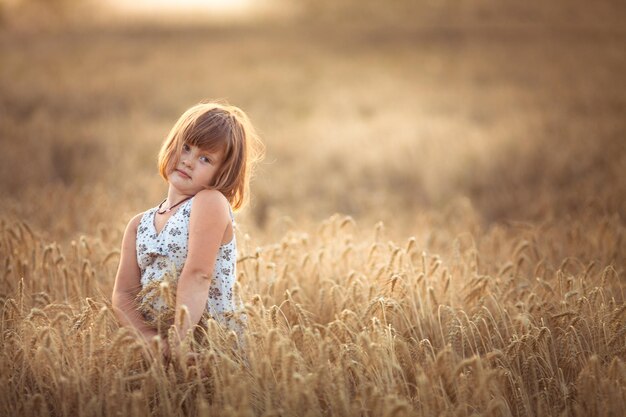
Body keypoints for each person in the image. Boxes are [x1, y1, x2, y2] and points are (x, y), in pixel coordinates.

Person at [111, 101, 263, 358]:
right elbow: (123, 293)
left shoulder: (209, 202)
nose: (189, 161)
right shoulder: (139, 225)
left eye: (205, 158)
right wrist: (149, 340)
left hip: (209, 347)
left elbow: (198, 275)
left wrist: (180, 343)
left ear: (221, 174)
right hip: (160, 350)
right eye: (186, 147)